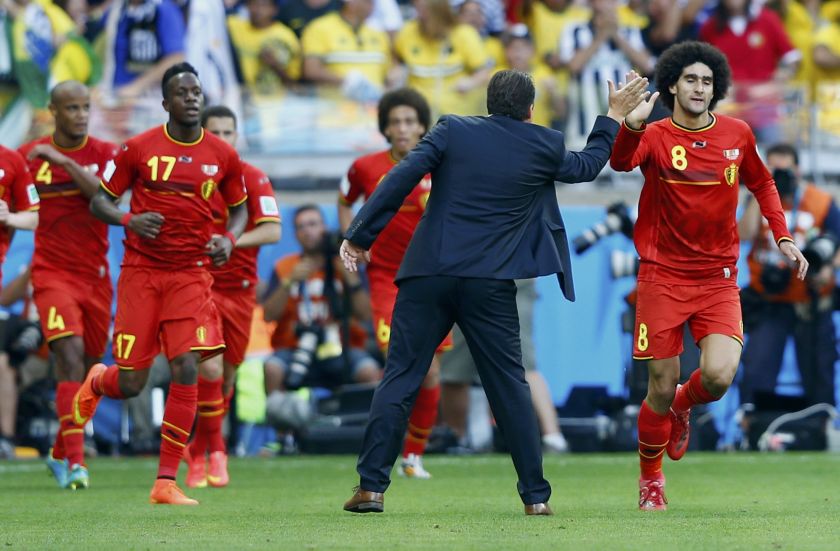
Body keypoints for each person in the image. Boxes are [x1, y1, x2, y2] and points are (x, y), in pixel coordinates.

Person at [339, 69, 650, 515]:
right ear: (529, 109)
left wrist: (359, 235)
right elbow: (585, 166)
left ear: (488, 103)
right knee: (509, 386)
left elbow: (402, 176)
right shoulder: (542, 142)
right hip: (489, 281)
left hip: (429, 272)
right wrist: (613, 116)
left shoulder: (451, 129)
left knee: (401, 377)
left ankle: (371, 488)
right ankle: (536, 498)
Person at [609, 41, 808, 511]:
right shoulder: (655, 134)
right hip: (661, 276)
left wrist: (782, 236)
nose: (700, 87)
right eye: (691, 79)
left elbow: (761, 181)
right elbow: (620, 162)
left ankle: (684, 404)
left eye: (707, 81)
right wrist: (630, 125)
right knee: (658, 384)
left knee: (718, 377)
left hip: (718, 277)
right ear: (673, 84)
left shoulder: (737, 134)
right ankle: (651, 479)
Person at [72, 62, 248, 505]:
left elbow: (241, 209)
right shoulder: (137, 149)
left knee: (186, 364)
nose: (192, 98)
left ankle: (165, 481)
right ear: (166, 103)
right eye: (182, 93)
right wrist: (130, 218)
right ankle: (98, 381)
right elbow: (100, 202)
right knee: (133, 382)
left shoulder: (222, 156)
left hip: (191, 272)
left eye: (197, 92)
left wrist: (229, 238)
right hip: (141, 274)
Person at [338, 87, 448, 479]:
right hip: (387, 279)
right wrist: (353, 238)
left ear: (422, 126)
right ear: (385, 127)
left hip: (433, 277)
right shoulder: (364, 167)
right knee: (401, 364)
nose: (402, 129)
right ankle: (378, 455)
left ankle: (413, 456)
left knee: (432, 371)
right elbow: (345, 199)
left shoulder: (440, 165)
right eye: (395, 122)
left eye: (409, 121)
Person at [18, 80, 118, 490]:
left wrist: (62, 160)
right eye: (71, 108)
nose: (79, 115)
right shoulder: (29, 158)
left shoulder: (105, 154)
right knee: (70, 356)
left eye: (84, 108)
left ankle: (60, 450)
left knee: (91, 369)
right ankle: (77, 464)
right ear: (52, 111)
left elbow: (104, 199)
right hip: (51, 274)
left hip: (95, 278)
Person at [183, 104, 281, 489]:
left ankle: (199, 450)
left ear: (237, 137)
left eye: (229, 133)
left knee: (224, 379)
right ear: (203, 135)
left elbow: (272, 231)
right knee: (207, 368)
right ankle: (213, 453)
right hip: (199, 287)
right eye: (215, 133)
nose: (223, 140)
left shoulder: (253, 178)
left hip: (240, 294)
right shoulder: (190, 179)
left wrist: (229, 239)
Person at [738, 143, 840, 412]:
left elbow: (837, 241)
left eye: (785, 167)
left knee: (819, 369)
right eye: (773, 167)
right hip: (769, 299)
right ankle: (753, 425)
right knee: (758, 365)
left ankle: (821, 423)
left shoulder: (820, 201)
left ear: (798, 169)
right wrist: (757, 192)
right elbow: (744, 235)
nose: (780, 173)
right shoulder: (755, 200)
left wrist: (829, 267)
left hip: (811, 299)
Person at [262, 205, 379, 394]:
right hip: (294, 347)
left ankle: (367, 423)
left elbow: (366, 315)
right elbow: (268, 316)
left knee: (370, 372)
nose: (308, 231)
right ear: (296, 234)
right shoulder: (285, 266)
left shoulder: (346, 263)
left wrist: (351, 279)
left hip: (343, 346)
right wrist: (289, 282)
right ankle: (281, 422)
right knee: (272, 369)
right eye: (301, 227)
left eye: (313, 224)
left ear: (324, 227)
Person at [300, 0, 390, 102]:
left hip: (372, 108)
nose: (372, 6)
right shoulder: (320, 28)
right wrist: (347, 82)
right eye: (367, 1)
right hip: (332, 108)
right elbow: (311, 70)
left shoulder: (378, 34)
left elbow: (387, 75)